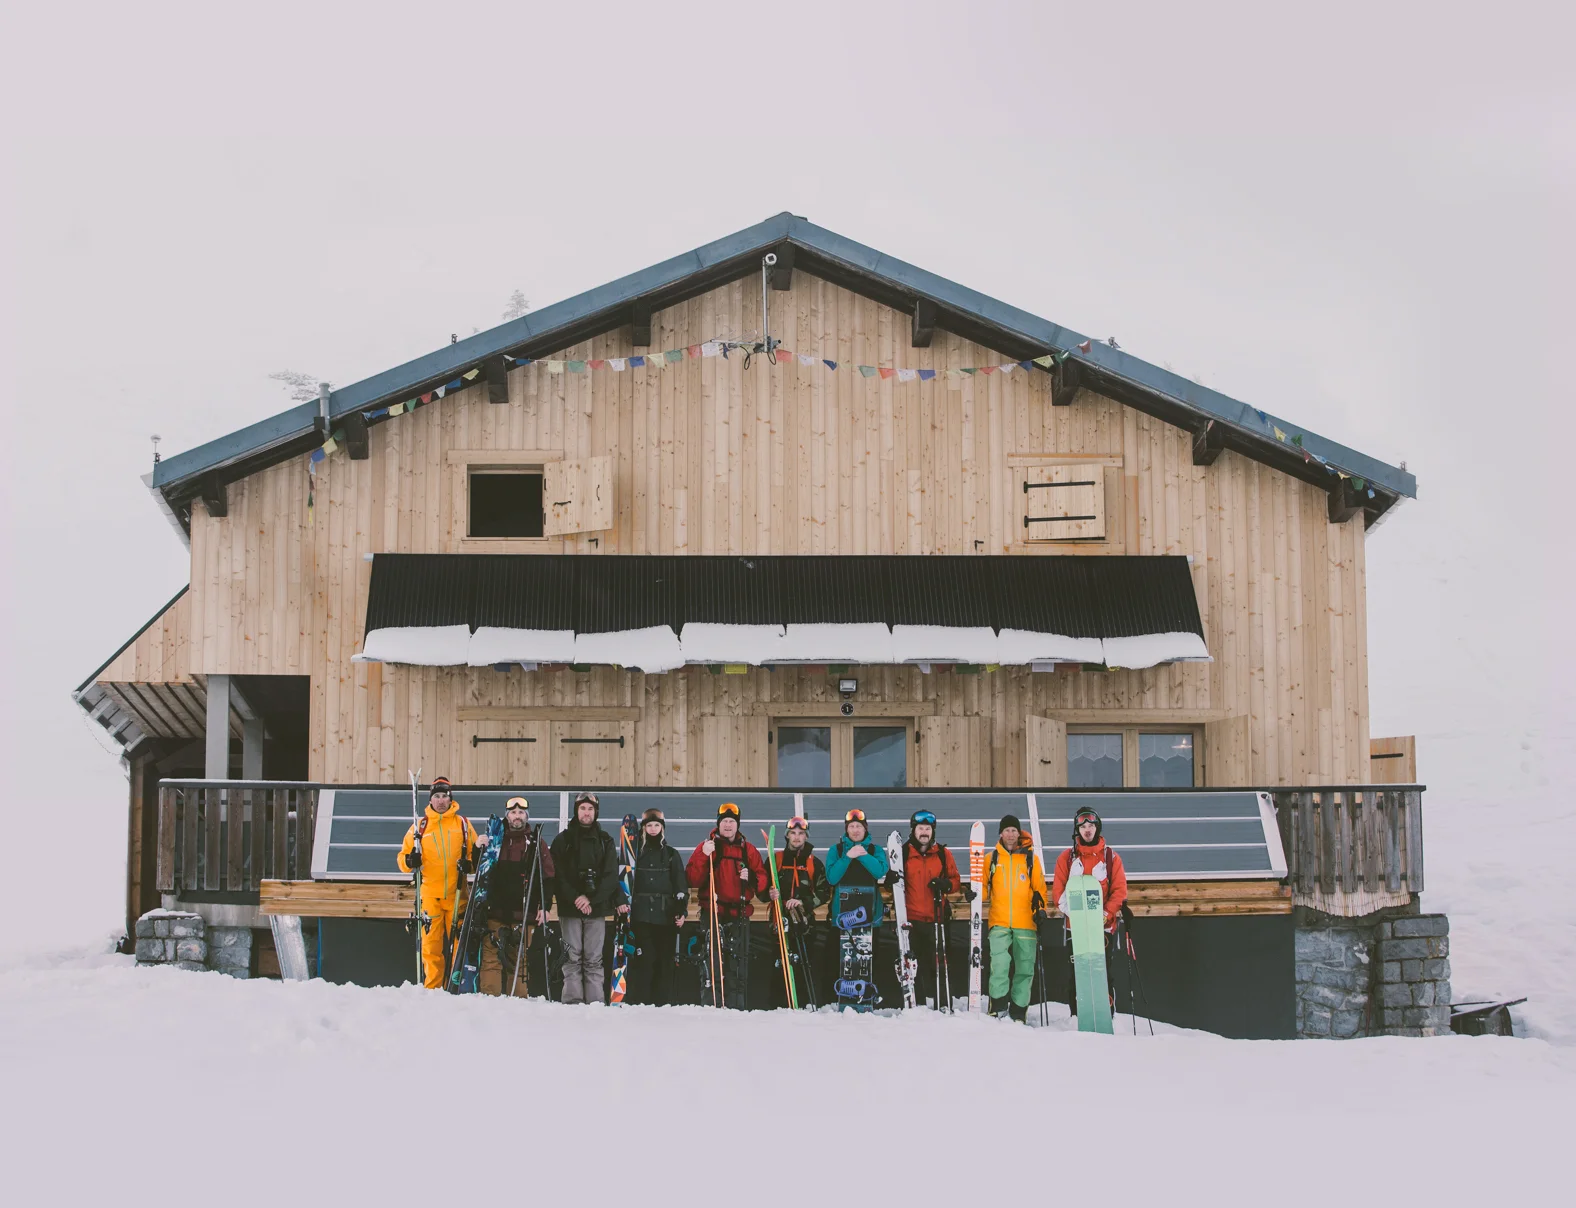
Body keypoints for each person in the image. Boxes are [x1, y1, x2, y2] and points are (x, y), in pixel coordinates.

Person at [397, 777, 480, 990]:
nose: (441, 801)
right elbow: (402, 858)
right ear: (431, 800)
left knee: (458, 944)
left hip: (457, 894)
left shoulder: (463, 824)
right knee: (431, 946)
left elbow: (477, 857)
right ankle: (433, 988)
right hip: (430, 896)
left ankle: (455, 986)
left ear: (450, 799)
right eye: (437, 796)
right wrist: (410, 861)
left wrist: (469, 865)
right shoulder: (420, 826)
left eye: (445, 796)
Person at [686, 801, 770, 1009]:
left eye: (732, 821)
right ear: (718, 824)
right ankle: (712, 1005)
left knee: (738, 963)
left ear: (737, 825)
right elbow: (692, 878)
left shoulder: (748, 850)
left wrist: (751, 878)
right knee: (711, 962)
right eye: (724, 821)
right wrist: (703, 855)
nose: (728, 825)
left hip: (739, 912)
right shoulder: (707, 847)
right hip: (712, 912)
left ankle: (736, 1007)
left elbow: (762, 880)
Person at [549, 791, 628, 1004]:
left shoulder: (605, 840)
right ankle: (572, 1002)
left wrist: (591, 899)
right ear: (576, 811)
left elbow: (611, 875)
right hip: (570, 907)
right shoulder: (563, 840)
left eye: (590, 809)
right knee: (572, 958)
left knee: (594, 959)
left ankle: (595, 1004)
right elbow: (557, 874)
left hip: (597, 907)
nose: (586, 812)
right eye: (582, 808)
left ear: (596, 812)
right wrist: (576, 897)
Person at [1051, 805, 1130, 1014]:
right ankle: (1077, 1014)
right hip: (1075, 927)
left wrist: (1104, 915)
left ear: (1098, 827)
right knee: (1078, 972)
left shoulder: (1111, 858)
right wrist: (1077, 915)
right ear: (1077, 830)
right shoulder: (1067, 858)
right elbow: (1058, 894)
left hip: (1103, 927)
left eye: (1091, 825)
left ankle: (1106, 1014)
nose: (1087, 830)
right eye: (1083, 826)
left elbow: (1119, 891)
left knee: (1102, 971)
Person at [478, 796, 554, 998]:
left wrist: (545, 906)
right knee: (491, 958)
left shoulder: (536, 843)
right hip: (495, 911)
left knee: (519, 960)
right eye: (513, 812)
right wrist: (478, 848)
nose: (517, 816)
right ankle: (489, 1001)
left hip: (524, 912)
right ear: (507, 816)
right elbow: (479, 869)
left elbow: (548, 878)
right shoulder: (495, 841)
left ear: (526, 816)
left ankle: (518, 1003)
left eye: (521, 812)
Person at [979, 813, 1050, 1022]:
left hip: (1026, 922)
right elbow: (983, 888)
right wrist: (974, 893)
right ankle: (997, 1007)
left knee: (1025, 969)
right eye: (1007, 830)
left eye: (1014, 830)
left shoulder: (1030, 859)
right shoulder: (991, 859)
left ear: (1019, 834)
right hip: (999, 921)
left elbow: (1040, 890)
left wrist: (1041, 910)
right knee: (999, 965)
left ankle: (1019, 1013)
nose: (1010, 834)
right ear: (1000, 833)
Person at [627, 807, 689, 1006]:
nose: (653, 829)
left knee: (664, 962)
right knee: (644, 961)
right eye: (649, 825)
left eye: (656, 825)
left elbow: (680, 886)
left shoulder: (671, 854)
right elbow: (625, 882)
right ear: (643, 828)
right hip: (641, 917)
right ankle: (642, 1003)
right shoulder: (635, 854)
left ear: (662, 828)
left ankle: (663, 1004)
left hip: (666, 917)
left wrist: (681, 911)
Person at [901, 809, 961, 1009]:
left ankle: (942, 1003)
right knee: (913, 965)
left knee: (939, 965)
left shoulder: (943, 854)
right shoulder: (904, 853)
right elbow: (895, 883)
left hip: (937, 918)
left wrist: (945, 884)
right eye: (920, 828)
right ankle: (916, 1005)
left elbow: (955, 881)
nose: (924, 832)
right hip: (912, 919)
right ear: (913, 830)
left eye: (928, 828)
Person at [775, 815, 830, 1007]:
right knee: (780, 967)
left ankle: (807, 1006)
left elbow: (824, 892)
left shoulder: (814, 863)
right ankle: (780, 1007)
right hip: (780, 923)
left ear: (806, 836)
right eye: (793, 833)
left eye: (801, 833)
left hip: (805, 924)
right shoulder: (776, 860)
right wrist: (770, 893)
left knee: (806, 966)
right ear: (787, 836)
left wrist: (803, 903)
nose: (797, 837)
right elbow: (762, 887)